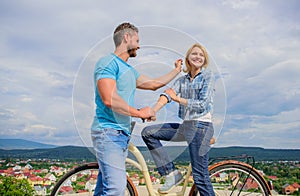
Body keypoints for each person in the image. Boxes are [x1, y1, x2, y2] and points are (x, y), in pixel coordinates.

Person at [91, 22, 182, 196]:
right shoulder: (108, 63)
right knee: (116, 188)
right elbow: (109, 98)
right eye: (137, 40)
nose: (139, 45)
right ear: (127, 37)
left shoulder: (129, 71)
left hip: (121, 134)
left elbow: (154, 84)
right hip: (108, 132)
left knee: (104, 188)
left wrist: (176, 71)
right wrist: (140, 112)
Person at [142, 43, 216, 195]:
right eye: (194, 54)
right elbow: (168, 94)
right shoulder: (182, 80)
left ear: (205, 60)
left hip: (201, 127)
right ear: (188, 58)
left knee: (200, 177)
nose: (198, 57)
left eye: (201, 55)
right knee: (148, 133)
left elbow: (202, 104)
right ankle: (171, 173)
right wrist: (153, 111)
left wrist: (178, 100)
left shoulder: (208, 76)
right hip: (186, 126)